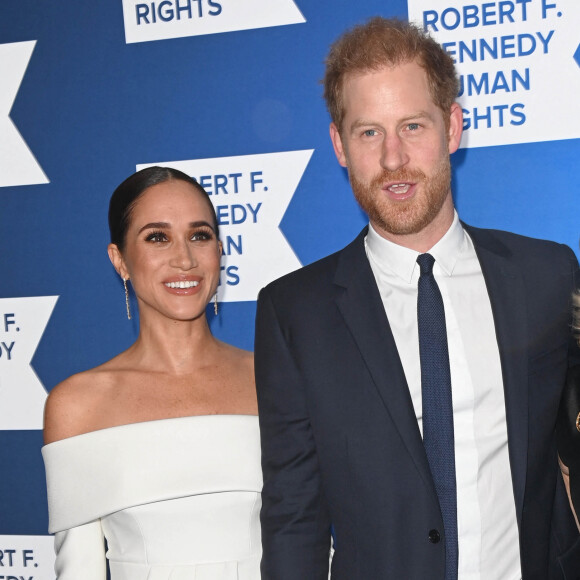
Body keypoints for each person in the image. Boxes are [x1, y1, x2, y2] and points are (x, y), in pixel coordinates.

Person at [254, 17, 580, 580]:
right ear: (338, 145)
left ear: (452, 128)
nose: (393, 159)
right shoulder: (295, 314)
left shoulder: (547, 275)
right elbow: (294, 517)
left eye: (412, 126)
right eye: (368, 132)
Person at [42, 166, 262, 580]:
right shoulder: (78, 405)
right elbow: (79, 570)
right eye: (157, 237)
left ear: (219, 250)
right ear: (119, 260)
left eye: (200, 235)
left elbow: (312, 545)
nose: (184, 258)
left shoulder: (275, 379)